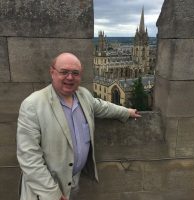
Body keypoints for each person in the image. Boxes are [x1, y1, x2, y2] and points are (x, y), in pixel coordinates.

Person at [17, 52, 141, 200]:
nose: (70, 77)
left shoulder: (83, 95)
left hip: (74, 182)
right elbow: (28, 158)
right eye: (64, 72)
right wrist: (52, 193)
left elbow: (101, 106)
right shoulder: (33, 105)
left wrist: (126, 112)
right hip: (44, 191)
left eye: (75, 73)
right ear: (52, 72)